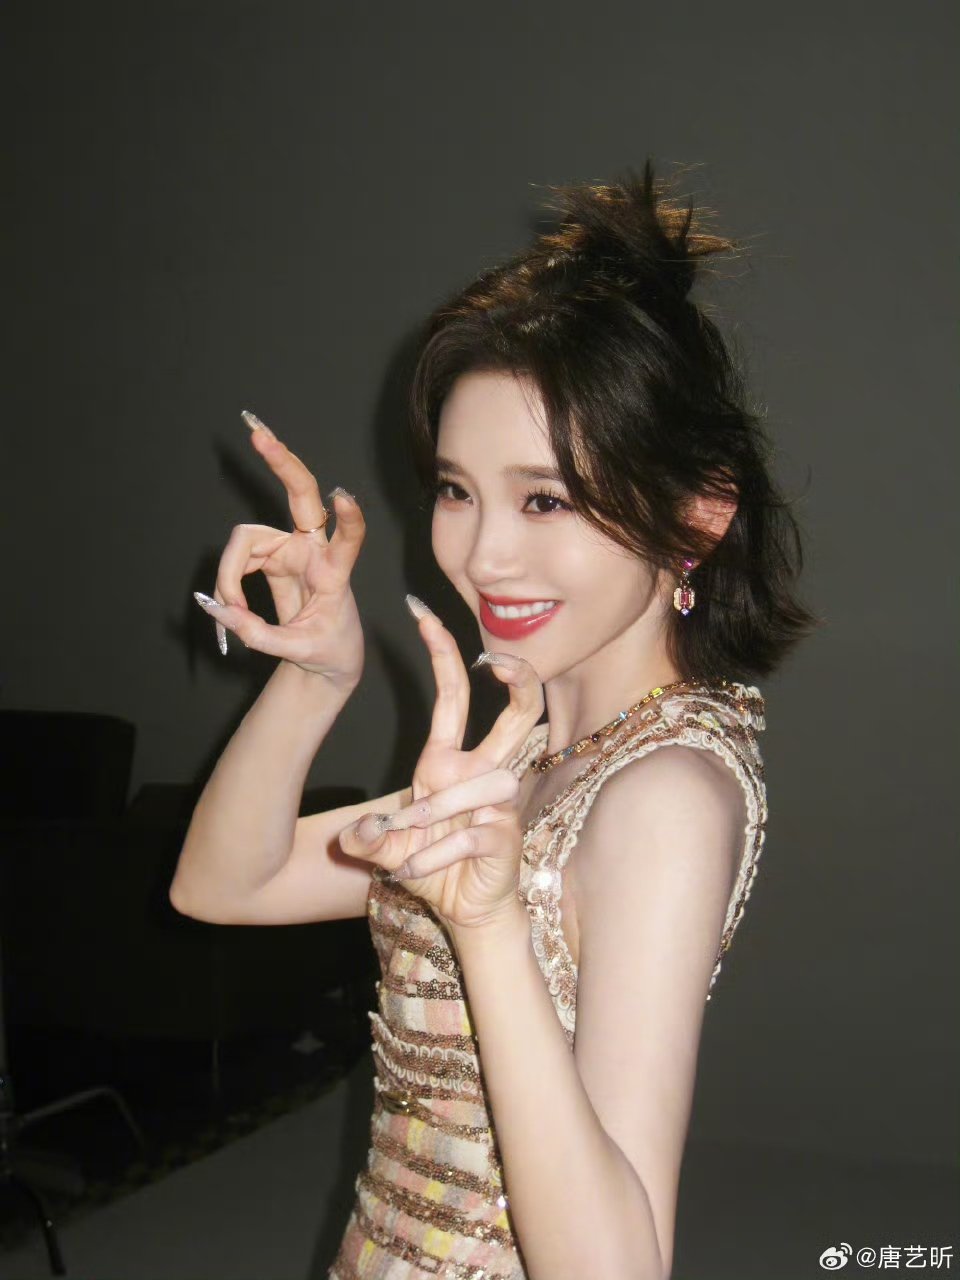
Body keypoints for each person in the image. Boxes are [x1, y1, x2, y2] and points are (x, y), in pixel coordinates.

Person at [171, 160, 817, 1280]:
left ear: (698, 515)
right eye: (457, 489)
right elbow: (224, 884)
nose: (483, 554)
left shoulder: (664, 791)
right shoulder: (536, 754)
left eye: (545, 498)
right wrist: (314, 680)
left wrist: (488, 929)